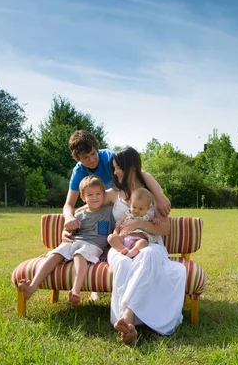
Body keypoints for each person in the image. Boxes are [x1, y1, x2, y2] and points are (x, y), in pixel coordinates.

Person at [62, 130, 172, 301]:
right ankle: (119, 304)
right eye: (86, 158)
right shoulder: (82, 174)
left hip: (142, 236)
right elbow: (75, 205)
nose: (92, 160)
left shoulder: (110, 158)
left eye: (93, 154)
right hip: (115, 226)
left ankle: (133, 308)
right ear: (79, 160)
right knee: (113, 243)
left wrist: (159, 193)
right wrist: (69, 221)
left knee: (142, 253)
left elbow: (136, 171)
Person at [104, 147, 186, 344]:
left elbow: (165, 229)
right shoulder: (115, 194)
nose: (115, 173)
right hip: (120, 246)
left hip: (149, 244)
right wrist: (71, 216)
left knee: (147, 256)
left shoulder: (152, 197)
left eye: (118, 168)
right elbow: (88, 198)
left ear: (130, 167)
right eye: (113, 168)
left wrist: (139, 223)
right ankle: (129, 320)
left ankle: (128, 316)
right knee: (123, 263)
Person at [17, 176, 115, 307]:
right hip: (74, 242)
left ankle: (75, 291)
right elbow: (69, 232)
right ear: (83, 198)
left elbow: (114, 231)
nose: (95, 198)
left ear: (104, 195)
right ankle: (32, 286)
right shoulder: (79, 215)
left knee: (80, 255)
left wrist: (109, 248)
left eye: (98, 194)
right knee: (54, 255)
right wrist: (65, 233)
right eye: (90, 195)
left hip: (94, 245)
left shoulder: (109, 212)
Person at [108, 187, 159, 258]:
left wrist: (155, 220)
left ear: (148, 208)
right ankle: (124, 249)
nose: (136, 210)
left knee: (143, 242)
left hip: (137, 240)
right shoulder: (126, 215)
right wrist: (116, 234)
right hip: (123, 239)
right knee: (110, 237)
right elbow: (118, 227)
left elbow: (154, 221)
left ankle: (132, 251)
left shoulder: (146, 217)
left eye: (140, 209)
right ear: (130, 204)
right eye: (134, 207)